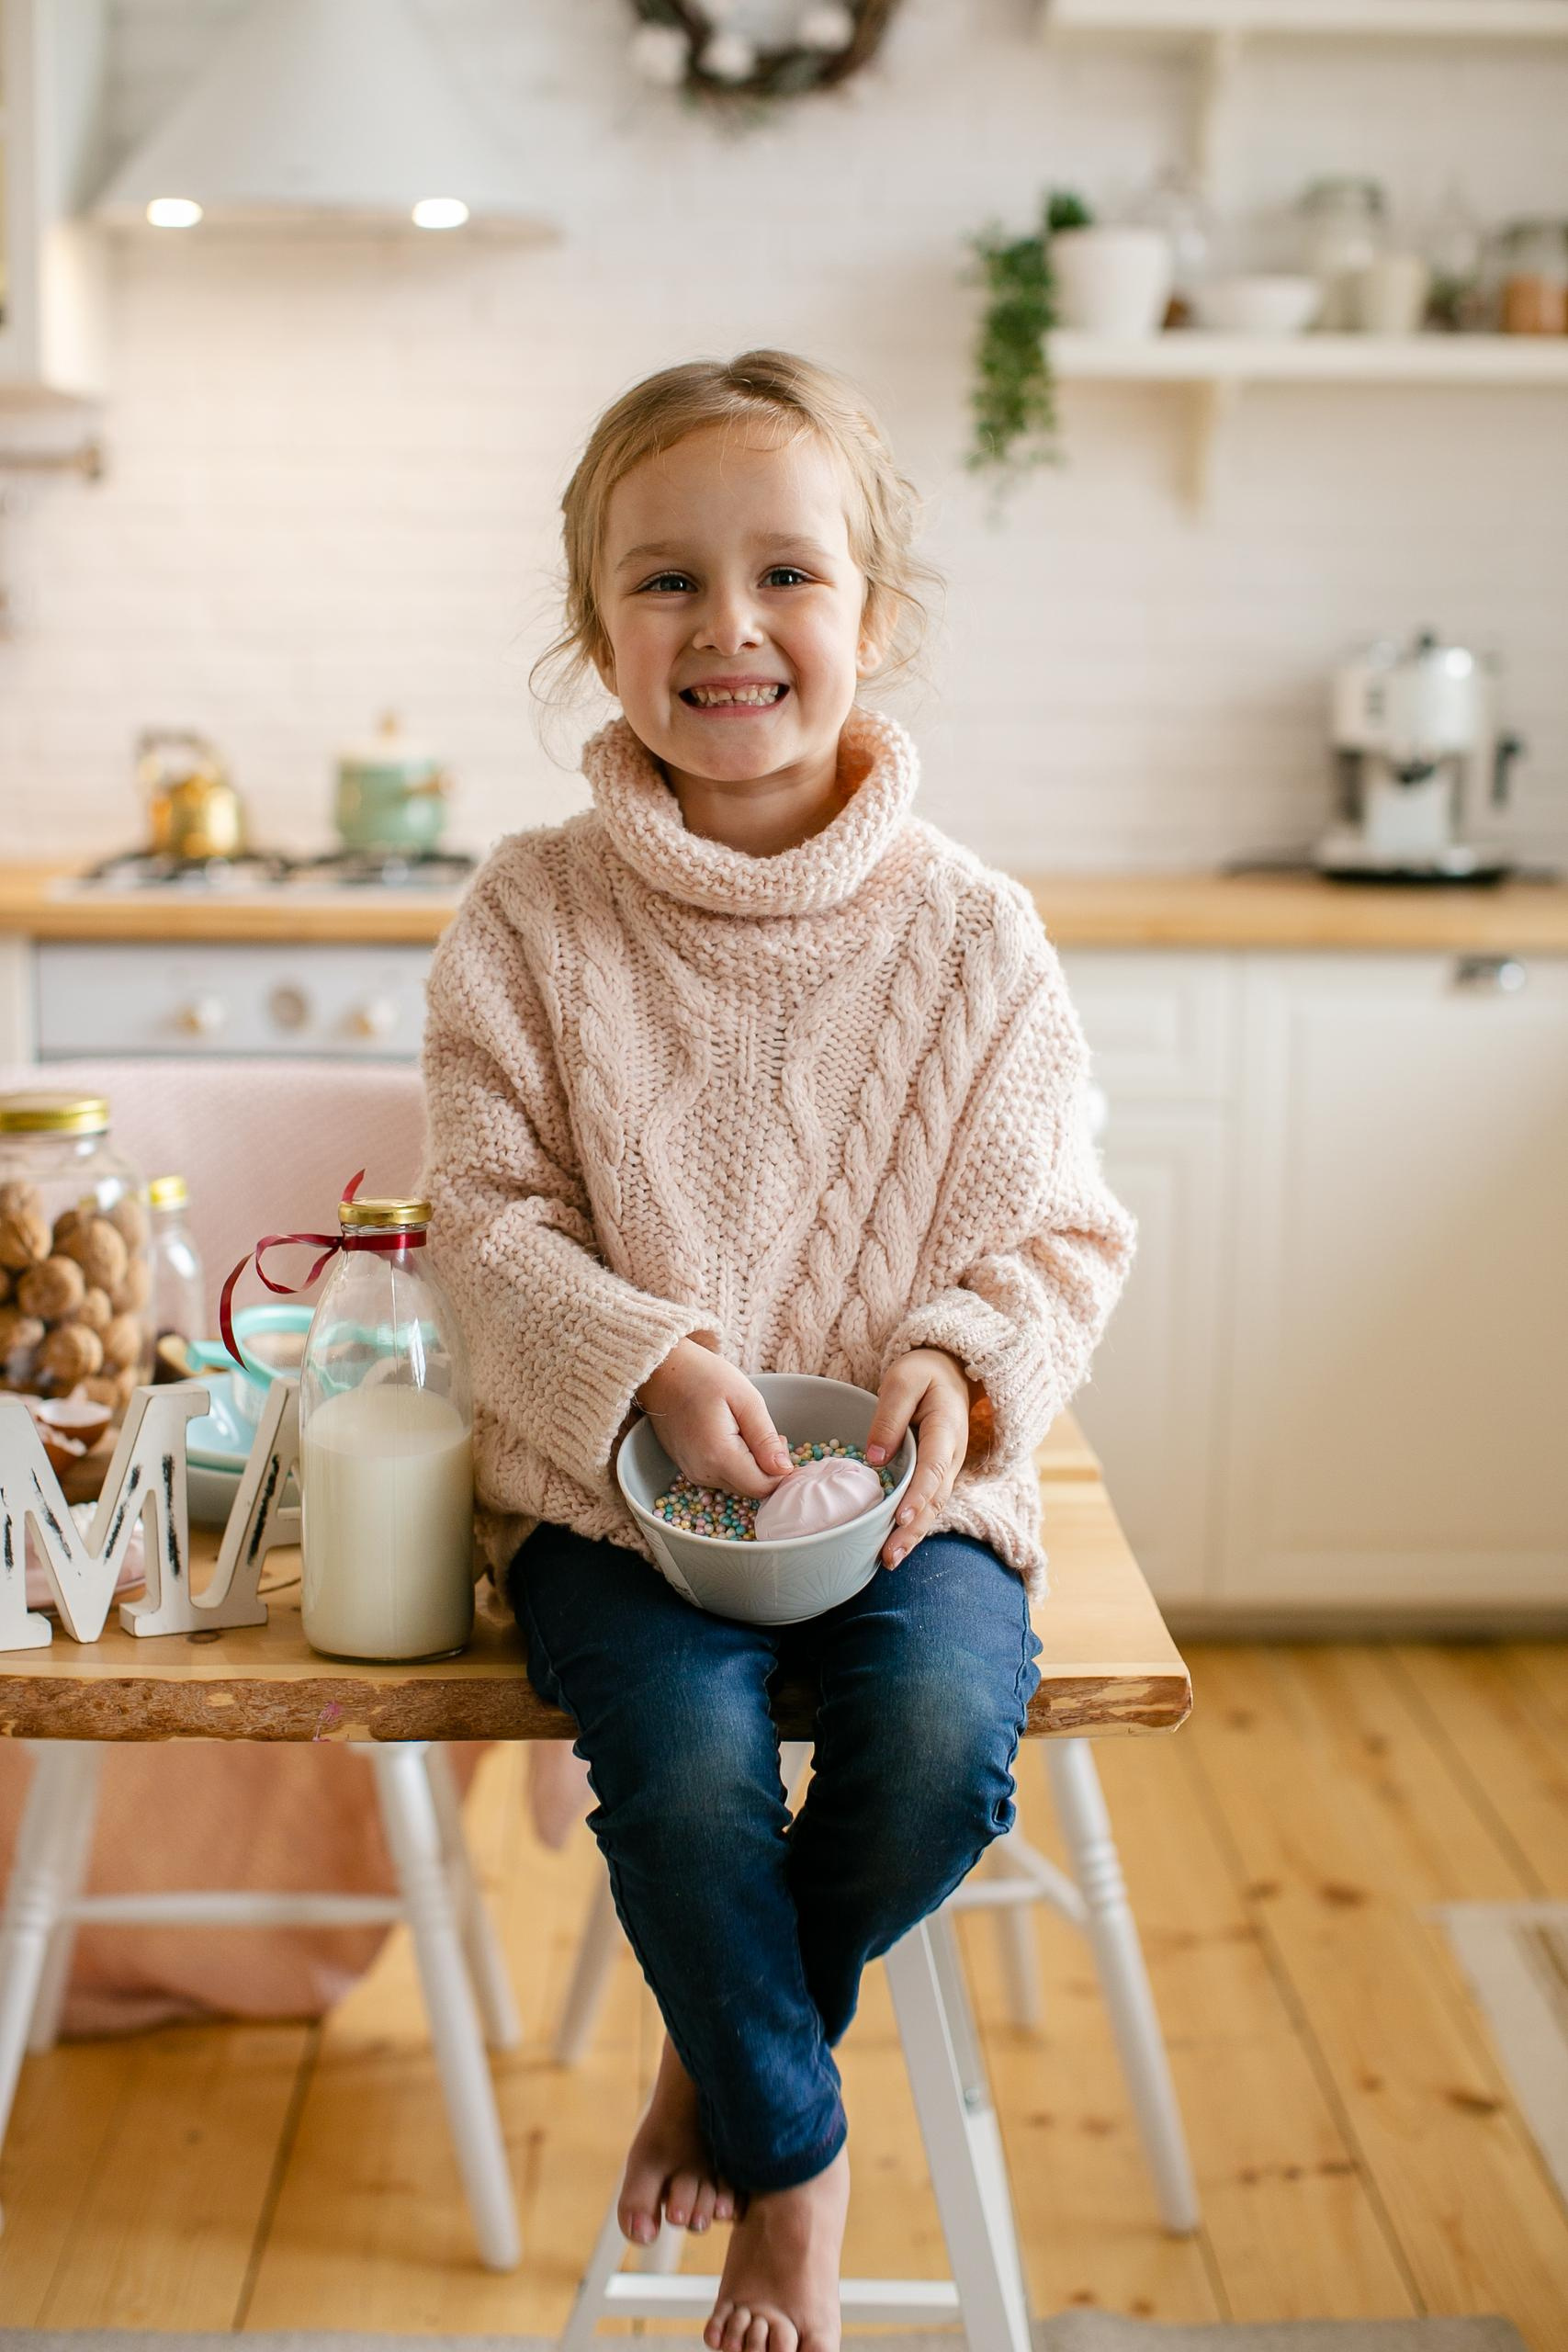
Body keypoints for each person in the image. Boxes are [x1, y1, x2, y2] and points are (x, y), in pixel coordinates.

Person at [419, 349, 1136, 2352]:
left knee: (933, 1744)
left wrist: (961, 1366)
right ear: (597, 636)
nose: (727, 626)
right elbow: (483, 1220)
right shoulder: (527, 918)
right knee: (680, 1766)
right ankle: (797, 2165)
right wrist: (648, 1361)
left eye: (785, 575)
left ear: (870, 617)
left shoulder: (974, 935)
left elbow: (1062, 1232)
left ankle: (727, 2057)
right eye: (665, 581)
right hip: (614, 1501)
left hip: (904, 1505)